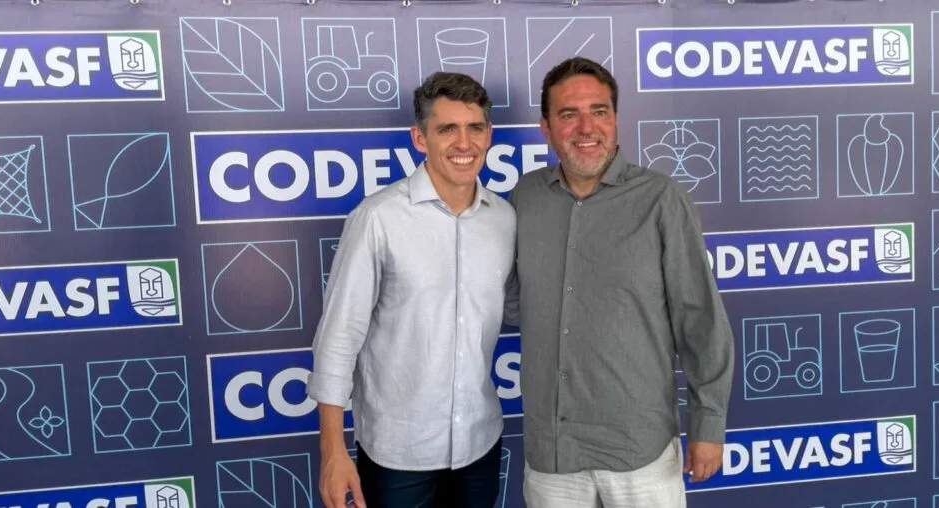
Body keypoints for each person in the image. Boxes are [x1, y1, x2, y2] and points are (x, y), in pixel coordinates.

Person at [505, 56, 735, 507]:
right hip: (553, 454)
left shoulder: (661, 199)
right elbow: (512, 300)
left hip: (639, 454)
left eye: (600, 111)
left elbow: (701, 320)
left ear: (615, 119)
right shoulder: (525, 198)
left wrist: (708, 425)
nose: (586, 127)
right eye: (568, 114)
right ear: (546, 128)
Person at [307, 71, 515, 508]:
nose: (464, 143)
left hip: (479, 441)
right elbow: (339, 337)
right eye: (447, 129)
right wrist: (332, 451)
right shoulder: (378, 218)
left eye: (475, 128)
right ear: (420, 138)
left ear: (489, 134)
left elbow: (520, 306)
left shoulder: (504, 219)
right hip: (398, 454)